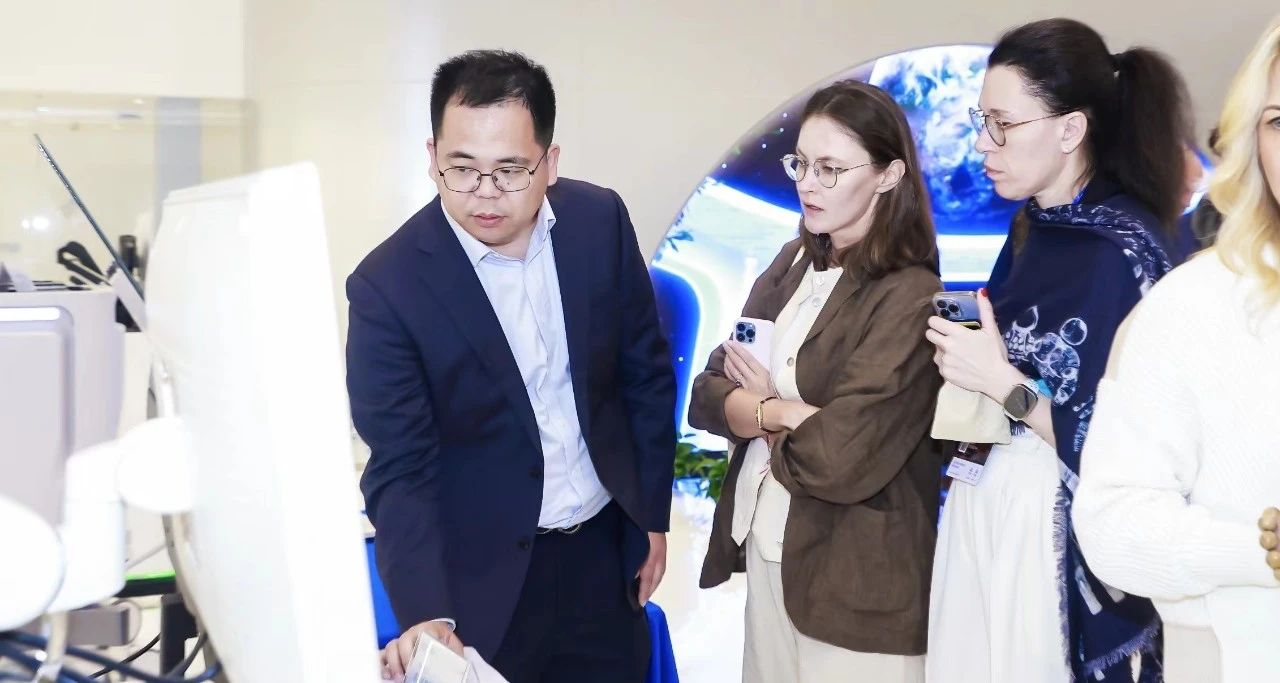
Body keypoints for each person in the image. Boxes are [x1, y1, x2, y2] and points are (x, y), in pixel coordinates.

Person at [346, 49, 676, 683]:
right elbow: (400, 465)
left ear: (549, 162)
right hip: (484, 587)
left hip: (605, 558)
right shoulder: (389, 287)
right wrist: (426, 611)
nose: (484, 193)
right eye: (462, 168)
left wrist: (651, 517)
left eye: (509, 170)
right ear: (432, 156)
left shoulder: (599, 222)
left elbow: (644, 375)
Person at [924, 18, 1194, 683]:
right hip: (986, 503)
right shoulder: (1031, 228)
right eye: (981, 121)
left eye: (1002, 124)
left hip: (1053, 536)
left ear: (1070, 129)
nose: (982, 143)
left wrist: (999, 381)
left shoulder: (1125, 254)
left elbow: (1127, 448)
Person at [690, 80, 944, 683]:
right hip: (768, 544)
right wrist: (781, 412)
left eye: (830, 169)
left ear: (888, 175)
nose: (808, 183)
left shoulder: (909, 294)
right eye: (800, 164)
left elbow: (840, 457)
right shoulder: (793, 261)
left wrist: (756, 408)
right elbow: (706, 393)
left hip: (858, 584)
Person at [1073, 17, 1280, 683]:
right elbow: (1111, 524)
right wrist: (1258, 550)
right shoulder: (1193, 305)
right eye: (1279, 121)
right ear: (1252, 139)